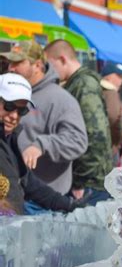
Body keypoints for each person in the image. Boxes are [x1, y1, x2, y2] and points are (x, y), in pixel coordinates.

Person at [1, 40, 88, 195]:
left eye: (18, 62)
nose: (11, 68)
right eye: (10, 62)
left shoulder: (60, 99)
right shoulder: (8, 89)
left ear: (38, 66)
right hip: (14, 192)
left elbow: (78, 141)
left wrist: (42, 145)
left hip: (42, 199)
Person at [0, 73, 87, 214]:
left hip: (12, 227)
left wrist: (70, 205)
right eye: (9, 106)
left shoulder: (9, 138)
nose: (14, 116)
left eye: (22, 110)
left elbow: (28, 183)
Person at [44, 39, 113, 206]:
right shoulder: (77, 83)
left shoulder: (83, 84)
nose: (48, 71)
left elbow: (96, 134)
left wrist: (80, 181)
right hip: (89, 180)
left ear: (62, 59)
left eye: (50, 64)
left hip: (90, 183)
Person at [100, 62, 122, 163]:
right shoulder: (110, 92)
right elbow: (113, 118)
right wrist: (117, 143)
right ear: (109, 77)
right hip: (109, 147)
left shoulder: (99, 89)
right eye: (118, 76)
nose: (121, 79)